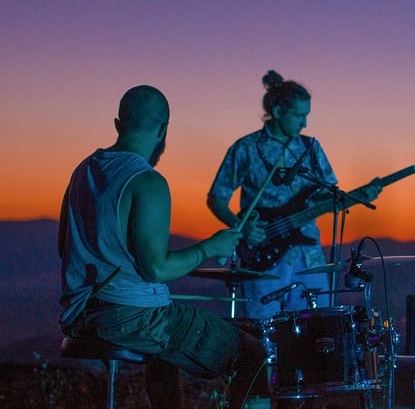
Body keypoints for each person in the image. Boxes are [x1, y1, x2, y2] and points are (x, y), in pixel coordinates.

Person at [58, 85, 267, 409]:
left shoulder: (82, 171)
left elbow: (64, 247)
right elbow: (156, 269)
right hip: (131, 317)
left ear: (118, 124)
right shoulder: (147, 182)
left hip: (80, 314)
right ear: (163, 129)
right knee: (253, 355)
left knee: (166, 352)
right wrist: (211, 245)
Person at [207, 70, 381, 318]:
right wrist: (241, 227)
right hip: (263, 258)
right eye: (299, 116)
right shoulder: (246, 147)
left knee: (317, 331)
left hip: (309, 256)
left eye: (306, 116)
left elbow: (324, 197)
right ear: (278, 112)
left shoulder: (311, 147)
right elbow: (216, 197)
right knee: (264, 331)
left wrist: (359, 196)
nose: (304, 123)